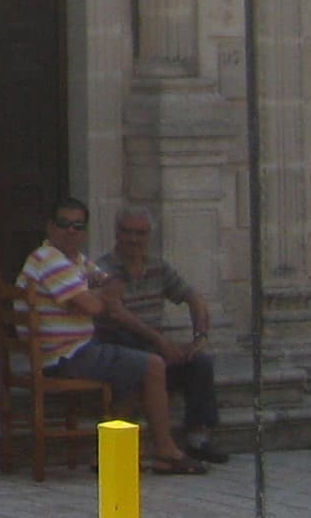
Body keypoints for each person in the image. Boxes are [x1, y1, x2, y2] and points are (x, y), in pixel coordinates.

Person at [18, 198, 201, 475]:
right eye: (64, 224)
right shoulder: (50, 260)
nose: (71, 231)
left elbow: (111, 282)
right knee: (152, 365)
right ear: (50, 227)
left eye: (78, 226)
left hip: (73, 350)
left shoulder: (74, 260)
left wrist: (95, 294)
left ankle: (108, 454)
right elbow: (95, 306)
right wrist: (97, 296)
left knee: (131, 362)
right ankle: (166, 451)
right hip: (65, 356)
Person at [95, 205, 226, 466]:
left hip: (153, 347)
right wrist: (160, 341)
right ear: (117, 233)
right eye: (128, 232)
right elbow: (117, 314)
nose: (134, 239)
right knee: (135, 350)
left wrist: (200, 336)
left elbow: (194, 298)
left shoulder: (158, 267)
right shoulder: (102, 269)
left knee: (199, 362)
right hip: (119, 345)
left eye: (140, 233)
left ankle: (198, 438)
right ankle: (151, 446)